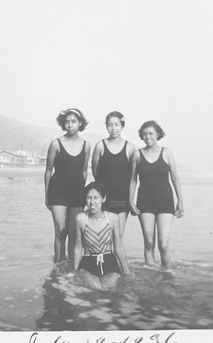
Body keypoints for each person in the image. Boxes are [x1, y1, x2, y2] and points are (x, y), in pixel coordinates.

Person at [129, 121, 184, 270]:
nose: (148, 137)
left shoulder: (166, 152)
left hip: (165, 201)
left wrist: (180, 201)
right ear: (141, 135)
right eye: (145, 134)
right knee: (149, 242)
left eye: (151, 133)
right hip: (144, 201)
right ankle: (150, 274)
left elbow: (175, 177)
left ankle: (168, 274)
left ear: (158, 134)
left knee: (164, 245)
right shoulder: (137, 154)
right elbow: (133, 180)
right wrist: (130, 201)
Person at [45, 108, 90, 263]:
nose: (70, 125)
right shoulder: (56, 144)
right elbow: (48, 171)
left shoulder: (86, 145)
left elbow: (84, 172)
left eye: (73, 122)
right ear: (63, 124)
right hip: (57, 193)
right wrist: (47, 196)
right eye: (67, 122)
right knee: (60, 232)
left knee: (74, 233)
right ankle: (58, 267)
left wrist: (81, 192)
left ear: (80, 123)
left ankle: (72, 267)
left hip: (77, 194)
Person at [73, 181, 130, 289]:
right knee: (96, 288)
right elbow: (78, 247)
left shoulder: (113, 218)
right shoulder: (80, 219)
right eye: (89, 198)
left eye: (96, 197)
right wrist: (75, 272)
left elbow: (119, 247)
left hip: (109, 261)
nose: (92, 202)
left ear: (103, 199)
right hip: (88, 262)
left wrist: (126, 272)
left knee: (110, 288)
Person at [92, 111, 135, 239]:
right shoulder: (100, 146)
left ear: (122, 126)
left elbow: (133, 176)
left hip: (122, 198)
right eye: (110, 125)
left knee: (118, 237)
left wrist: (131, 199)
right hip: (105, 198)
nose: (113, 128)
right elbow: (95, 171)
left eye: (116, 125)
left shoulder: (130, 148)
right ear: (106, 126)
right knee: (103, 236)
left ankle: (116, 260)